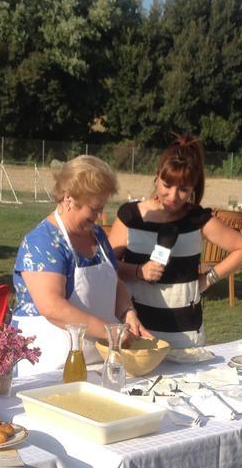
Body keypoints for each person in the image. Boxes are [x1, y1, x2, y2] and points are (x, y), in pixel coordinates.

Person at [107, 134, 242, 348]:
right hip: (138, 331)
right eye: (167, 184)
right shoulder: (131, 216)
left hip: (184, 335)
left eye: (183, 189)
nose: (173, 195)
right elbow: (107, 268)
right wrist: (139, 271)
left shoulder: (198, 219)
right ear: (156, 177)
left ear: (193, 189)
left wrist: (207, 280)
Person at [11, 155, 150, 373]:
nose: (99, 215)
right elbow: (52, 307)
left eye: (102, 207)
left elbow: (114, 282)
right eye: (94, 208)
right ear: (68, 198)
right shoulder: (41, 243)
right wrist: (110, 331)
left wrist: (127, 313)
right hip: (48, 364)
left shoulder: (96, 236)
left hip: (97, 361)